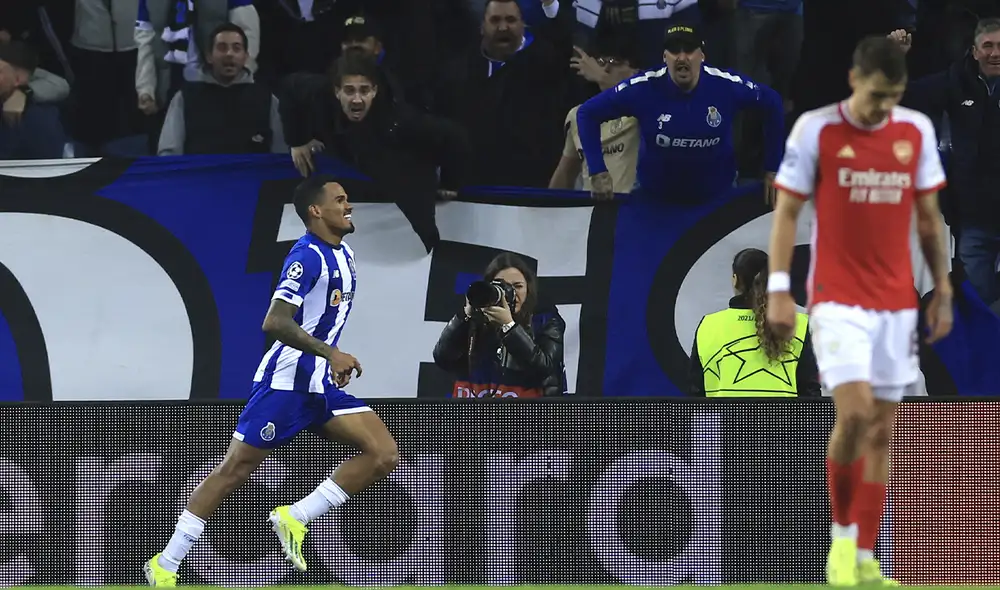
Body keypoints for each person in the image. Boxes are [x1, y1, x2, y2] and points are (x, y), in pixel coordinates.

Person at [144, 176, 399, 586]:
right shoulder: (306, 257)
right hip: (286, 384)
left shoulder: (345, 253)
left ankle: (294, 517)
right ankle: (166, 564)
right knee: (236, 468)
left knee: (383, 453)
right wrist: (331, 352)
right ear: (315, 211)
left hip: (319, 384)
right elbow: (274, 321)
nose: (348, 205)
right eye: (339, 200)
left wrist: (328, 359)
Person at [766, 36, 953, 586]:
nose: (883, 108)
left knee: (884, 431)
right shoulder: (817, 130)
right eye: (876, 95)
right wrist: (779, 288)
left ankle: (866, 558)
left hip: (896, 302)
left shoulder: (913, 130)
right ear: (854, 81)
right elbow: (785, 214)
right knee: (853, 414)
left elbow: (927, 217)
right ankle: (840, 545)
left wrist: (941, 286)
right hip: (836, 299)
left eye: (893, 96)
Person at [575, 23, 785, 202]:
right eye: (675, 51)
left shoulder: (725, 85)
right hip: (656, 200)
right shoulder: (643, 88)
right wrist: (597, 170)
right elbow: (587, 113)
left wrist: (773, 168)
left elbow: (773, 103)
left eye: (689, 50)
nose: (682, 57)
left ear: (702, 55)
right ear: (665, 57)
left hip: (716, 198)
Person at [889, 19, 1000, 307]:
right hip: (974, 217)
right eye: (988, 46)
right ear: (974, 51)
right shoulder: (955, 81)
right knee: (981, 301)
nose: (995, 53)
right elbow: (903, 97)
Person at [689, 248, 820, 397]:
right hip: (782, 420)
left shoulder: (709, 325)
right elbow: (810, 394)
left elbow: (696, 394)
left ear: (735, 280)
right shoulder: (797, 324)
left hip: (728, 420)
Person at [433, 252, 568, 398]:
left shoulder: (545, 320)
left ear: (528, 289)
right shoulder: (473, 320)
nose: (510, 293)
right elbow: (443, 358)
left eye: (518, 286)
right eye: (501, 286)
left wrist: (509, 326)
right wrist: (464, 316)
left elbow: (545, 368)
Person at [549, 38, 641, 191]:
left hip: (632, 209)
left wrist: (603, 79)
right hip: (591, 210)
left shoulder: (643, 108)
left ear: (635, 71)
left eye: (614, 61)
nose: (605, 68)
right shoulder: (577, 114)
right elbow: (565, 173)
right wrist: (543, 211)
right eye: (600, 62)